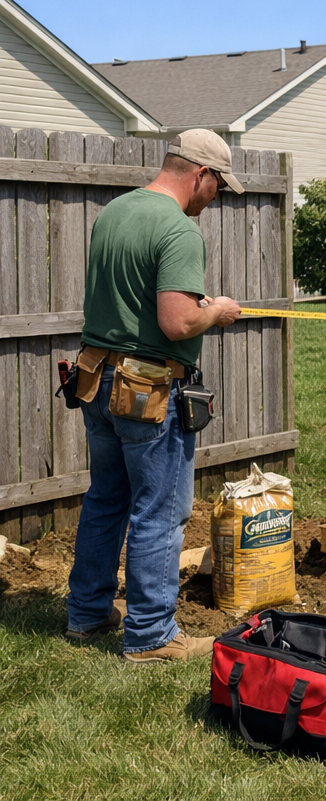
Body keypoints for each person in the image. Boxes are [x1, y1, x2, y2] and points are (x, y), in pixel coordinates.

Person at [65, 130, 243, 662]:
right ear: (201, 175)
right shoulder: (179, 231)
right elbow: (177, 321)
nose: (215, 199)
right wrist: (218, 310)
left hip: (96, 377)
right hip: (146, 392)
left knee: (106, 499)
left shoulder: (114, 213)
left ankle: (88, 613)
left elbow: (132, 300)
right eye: (218, 187)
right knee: (161, 510)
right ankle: (151, 636)